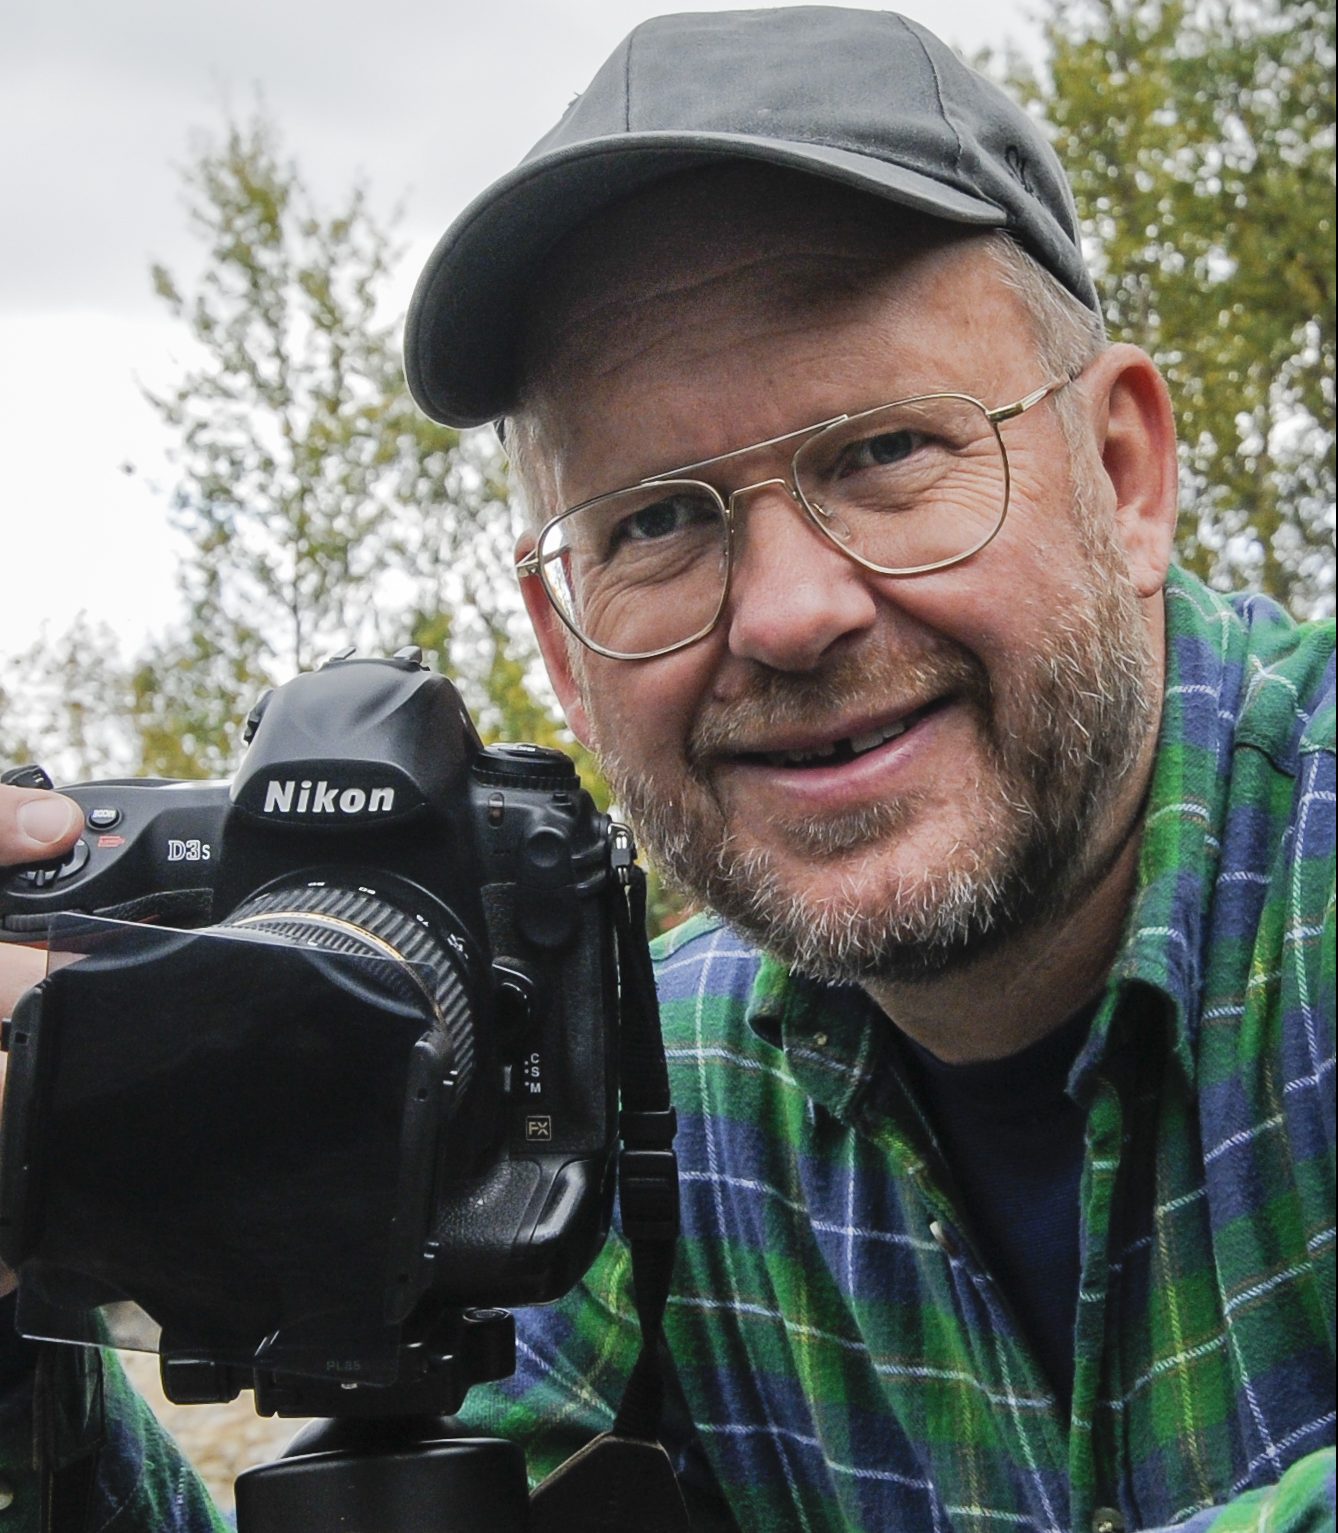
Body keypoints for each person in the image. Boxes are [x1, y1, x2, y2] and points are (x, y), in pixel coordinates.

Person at [0, 8, 1332, 1531]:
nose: (784, 611)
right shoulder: (638, 1087)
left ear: (1123, 474)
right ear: (565, 650)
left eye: (886, 450)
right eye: (653, 522)